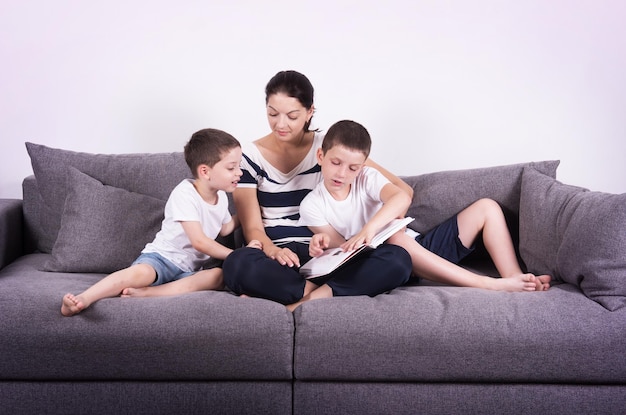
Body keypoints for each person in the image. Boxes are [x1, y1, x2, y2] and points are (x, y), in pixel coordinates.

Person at [222, 70, 413, 310]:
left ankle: (299, 300)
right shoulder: (248, 157)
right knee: (236, 264)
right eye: (273, 114)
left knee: (398, 261)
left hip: (330, 254)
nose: (280, 124)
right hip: (279, 260)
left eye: (292, 116)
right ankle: (318, 293)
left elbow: (401, 190)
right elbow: (252, 229)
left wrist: (380, 226)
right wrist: (273, 250)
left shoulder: (330, 149)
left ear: (310, 112)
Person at [300, 120, 551, 297]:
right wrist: (322, 244)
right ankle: (488, 284)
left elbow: (400, 198)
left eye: (352, 168)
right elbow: (343, 252)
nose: (342, 173)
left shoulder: (368, 178)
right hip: (389, 261)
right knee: (396, 238)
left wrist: (370, 228)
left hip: (420, 247)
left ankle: (516, 277)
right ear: (321, 156)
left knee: (486, 208)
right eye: (335, 163)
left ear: (363, 166)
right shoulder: (312, 205)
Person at [61, 128, 261, 316]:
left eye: (239, 167)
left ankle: (149, 293)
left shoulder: (221, 197)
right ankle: (83, 299)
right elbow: (199, 241)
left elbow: (225, 228)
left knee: (217, 276)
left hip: (189, 269)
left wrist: (252, 213)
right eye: (231, 168)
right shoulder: (185, 193)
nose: (239, 173)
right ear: (205, 172)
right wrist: (237, 255)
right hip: (161, 259)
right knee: (139, 274)